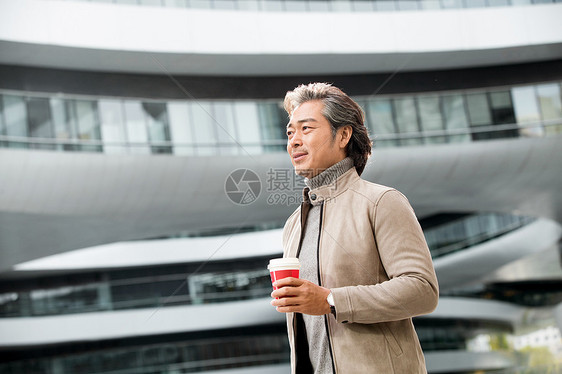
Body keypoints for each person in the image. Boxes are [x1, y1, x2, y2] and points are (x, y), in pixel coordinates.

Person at [270, 82, 439, 373]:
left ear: (343, 135)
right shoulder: (294, 224)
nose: (294, 141)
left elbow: (422, 289)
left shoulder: (381, 202)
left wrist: (331, 300)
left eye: (306, 129)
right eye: (290, 132)